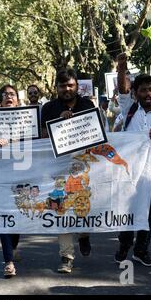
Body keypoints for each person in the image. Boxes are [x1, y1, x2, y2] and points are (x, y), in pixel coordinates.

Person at [114, 52, 151, 267]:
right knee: (127, 210)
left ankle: (141, 250)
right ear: (136, 93)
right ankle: (124, 245)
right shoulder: (129, 110)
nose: (148, 93)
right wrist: (122, 66)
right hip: (128, 172)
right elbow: (122, 88)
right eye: (143, 90)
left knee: (147, 214)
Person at [41, 68, 94, 274]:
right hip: (58, 169)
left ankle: (84, 235)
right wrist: (59, 123)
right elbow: (43, 136)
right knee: (60, 210)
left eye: (70, 85)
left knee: (82, 209)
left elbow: (95, 133)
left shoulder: (87, 105)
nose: (66, 89)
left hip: (83, 169)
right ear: (57, 88)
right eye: (62, 86)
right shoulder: (49, 108)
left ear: (76, 86)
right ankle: (66, 257)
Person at [0, 84, 22, 277]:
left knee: (17, 217)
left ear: (18, 100)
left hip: (23, 175)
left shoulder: (28, 120)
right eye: (4, 95)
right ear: (0, 101)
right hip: (1, 176)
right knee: (4, 217)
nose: (8, 97)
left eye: (12, 94)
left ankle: (12, 248)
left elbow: (37, 143)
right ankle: (8, 261)